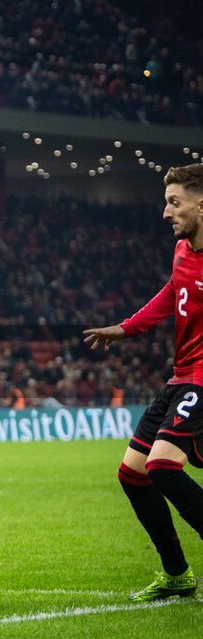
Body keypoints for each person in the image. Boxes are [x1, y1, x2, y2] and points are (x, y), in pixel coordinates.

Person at [84, 163, 203, 602]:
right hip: (180, 379)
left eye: (174, 202)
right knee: (132, 473)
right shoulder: (183, 252)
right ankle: (177, 573)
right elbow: (172, 293)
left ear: (202, 205)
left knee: (163, 466)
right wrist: (126, 327)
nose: (165, 212)